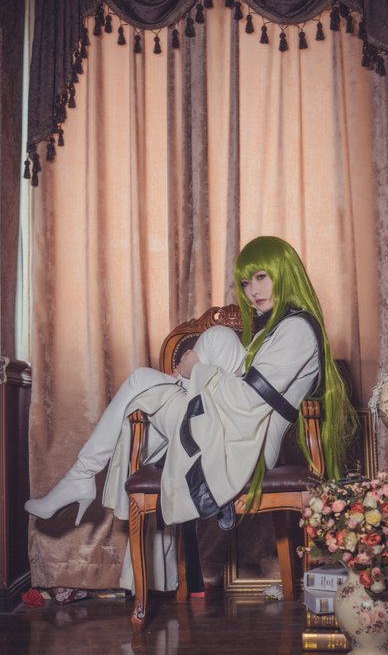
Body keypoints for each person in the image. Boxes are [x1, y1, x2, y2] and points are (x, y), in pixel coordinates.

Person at [25, 236, 357, 593]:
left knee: (142, 383)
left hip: (249, 444)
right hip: (235, 429)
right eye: (246, 283)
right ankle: (91, 480)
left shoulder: (297, 329)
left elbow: (248, 399)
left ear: (284, 272)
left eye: (261, 277)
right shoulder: (279, 327)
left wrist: (194, 369)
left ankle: (82, 476)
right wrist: (192, 375)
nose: (252, 291)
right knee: (216, 339)